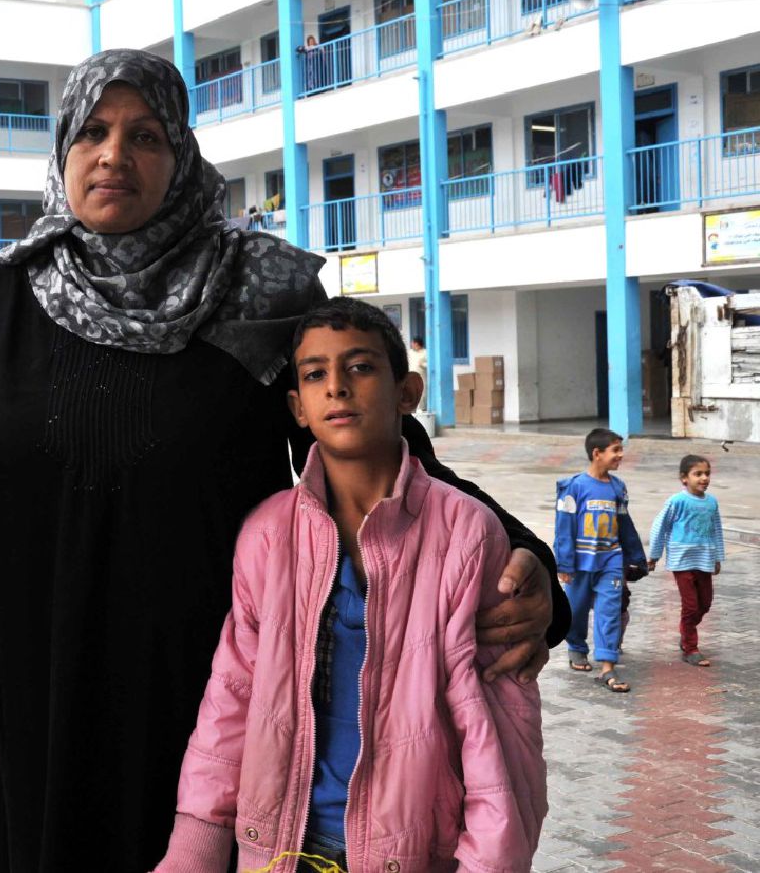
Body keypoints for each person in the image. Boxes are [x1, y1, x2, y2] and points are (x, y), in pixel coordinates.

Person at [0, 48, 566, 872]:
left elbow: (377, 449)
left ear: (181, 157)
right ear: (63, 152)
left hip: (219, 701)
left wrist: (526, 560)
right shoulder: (7, 295)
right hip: (43, 697)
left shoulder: (261, 296)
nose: (114, 155)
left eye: (144, 135)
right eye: (93, 133)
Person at [154, 298, 546, 873]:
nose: (336, 386)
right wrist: (198, 842)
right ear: (297, 407)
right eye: (315, 374)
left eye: (360, 367)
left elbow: (500, 729)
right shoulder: (267, 534)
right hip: (277, 848)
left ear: (407, 393)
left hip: (407, 854)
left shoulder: (466, 532)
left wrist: (489, 861)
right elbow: (231, 697)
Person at [554, 428, 648, 692]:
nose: (620, 455)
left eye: (621, 449)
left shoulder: (618, 488)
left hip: (611, 562)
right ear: (597, 454)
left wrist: (637, 558)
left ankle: (608, 668)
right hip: (580, 563)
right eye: (615, 450)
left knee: (609, 612)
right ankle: (576, 647)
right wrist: (564, 563)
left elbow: (625, 524)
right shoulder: (573, 488)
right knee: (576, 609)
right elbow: (564, 527)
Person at [648, 454, 726, 666]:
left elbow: (717, 529)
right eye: (697, 474)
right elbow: (659, 527)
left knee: (705, 603)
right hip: (682, 561)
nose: (704, 478)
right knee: (691, 606)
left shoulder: (711, 502)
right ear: (684, 478)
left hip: (705, 560)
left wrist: (718, 557)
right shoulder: (677, 501)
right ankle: (690, 647)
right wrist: (654, 555)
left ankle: (686, 630)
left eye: (707, 473)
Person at [406, 336, 428, 411]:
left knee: (422, 395)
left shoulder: (425, 353)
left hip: (421, 377)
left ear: (417, 344)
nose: (411, 345)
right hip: (410, 377)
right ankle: (412, 410)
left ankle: (421, 410)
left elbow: (431, 365)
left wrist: (423, 364)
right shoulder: (410, 352)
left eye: (413, 343)